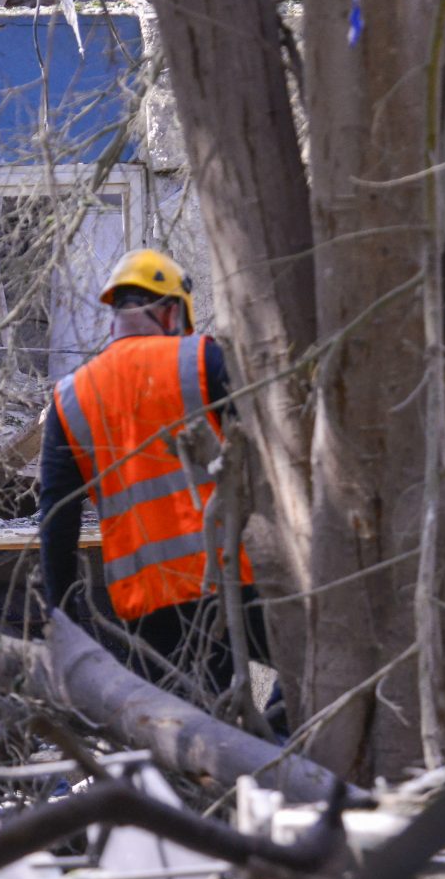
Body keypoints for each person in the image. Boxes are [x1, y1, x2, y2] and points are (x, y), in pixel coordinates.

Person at [37, 249, 279, 719]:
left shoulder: (71, 397)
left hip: (147, 601)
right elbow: (269, 454)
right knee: (312, 665)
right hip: (230, 576)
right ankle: (279, 753)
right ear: (171, 311)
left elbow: (56, 518)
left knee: (189, 732)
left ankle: (230, 776)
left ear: (116, 317)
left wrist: (61, 621)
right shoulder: (202, 357)